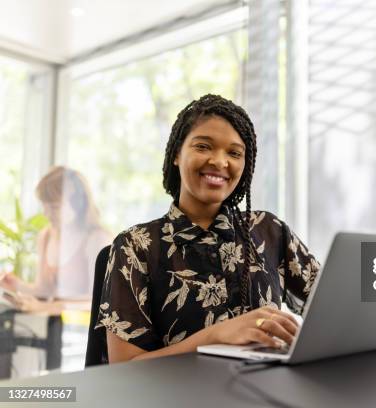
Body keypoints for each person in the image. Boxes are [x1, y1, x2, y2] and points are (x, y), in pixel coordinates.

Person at [96, 94, 320, 363]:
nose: (220, 161)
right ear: (177, 154)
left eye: (234, 153)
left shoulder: (268, 231)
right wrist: (215, 335)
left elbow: (334, 306)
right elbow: (123, 366)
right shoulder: (136, 245)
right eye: (203, 147)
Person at [0, 166, 111, 313]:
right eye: (44, 206)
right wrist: (17, 285)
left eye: (54, 207)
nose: (46, 214)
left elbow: (100, 301)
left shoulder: (97, 239)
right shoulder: (45, 236)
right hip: (52, 327)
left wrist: (47, 307)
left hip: (82, 330)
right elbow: (45, 290)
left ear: (78, 205)